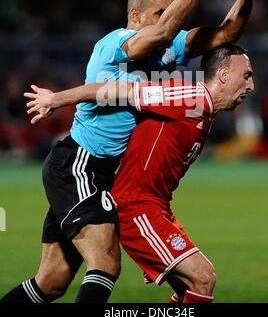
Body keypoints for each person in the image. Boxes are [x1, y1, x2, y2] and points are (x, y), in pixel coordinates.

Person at [0, 0, 268, 304]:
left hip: (105, 174)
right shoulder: (118, 44)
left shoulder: (165, 53)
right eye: (161, 13)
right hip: (80, 166)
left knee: (50, 282)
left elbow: (225, 33)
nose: (170, 23)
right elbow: (157, 37)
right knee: (106, 263)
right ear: (136, 16)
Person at [21, 44, 254, 303]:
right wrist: (56, 99)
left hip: (157, 208)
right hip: (137, 206)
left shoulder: (203, 108)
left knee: (52, 282)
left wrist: (244, 0)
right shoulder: (187, 96)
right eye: (246, 76)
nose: (251, 85)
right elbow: (116, 91)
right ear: (223, 75)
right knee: (203, 277)